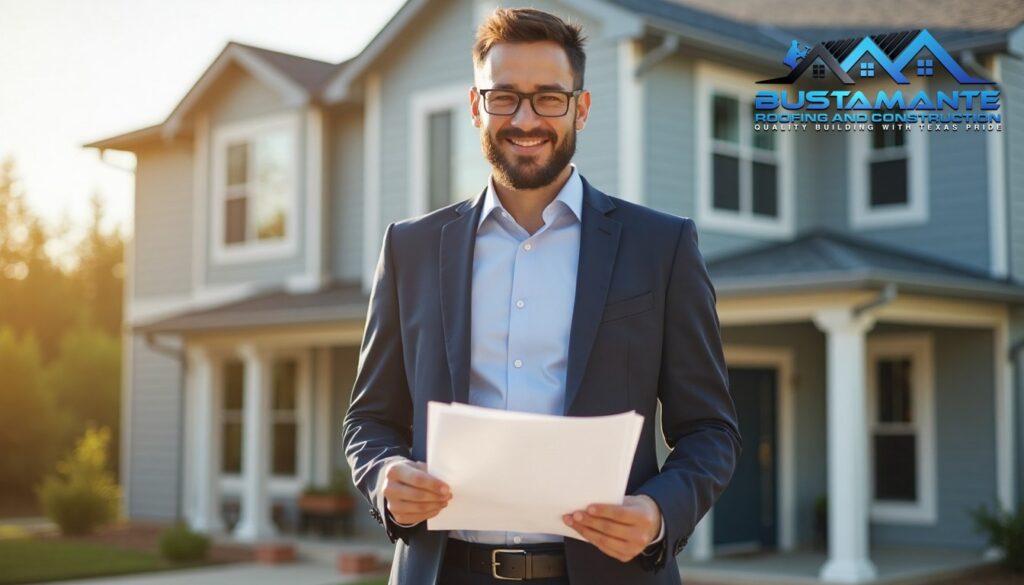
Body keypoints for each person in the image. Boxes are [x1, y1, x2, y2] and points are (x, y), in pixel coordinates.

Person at [343, 8, 741, 584]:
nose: (525, 118)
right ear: (476, 105)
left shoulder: (662, 246)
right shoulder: (411, 248)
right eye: (504, 97)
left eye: (548, 98)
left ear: (580, 107)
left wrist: (659, 513)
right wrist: (384, 476)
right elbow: (369, 419)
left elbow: (710, 429)